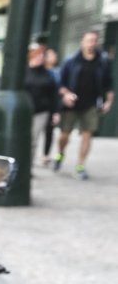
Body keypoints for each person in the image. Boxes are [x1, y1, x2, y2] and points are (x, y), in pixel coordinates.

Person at [53, 30, 113, 179]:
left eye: (94, 40)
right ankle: (60, 154)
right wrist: (66, 94)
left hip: (91, 104)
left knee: (87, 134)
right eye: (88, 40)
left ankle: (80, 165)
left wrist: (108, 102)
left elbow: (108, 84)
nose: (91, 43)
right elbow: (60, 83)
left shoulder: (102, 61)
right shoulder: (71, 60)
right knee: (64, 135)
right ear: (82, 41)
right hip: (71, 104)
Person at [24, 44, 58, 166]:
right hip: (24, 111)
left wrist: (55, 112)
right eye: (37, 55)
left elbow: (53, 94)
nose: (39, 58)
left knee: (33, 139)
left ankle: (28, 166)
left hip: (41, 111)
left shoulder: (48, 74)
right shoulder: (23, 72)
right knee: (23, 139)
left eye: (41, 55)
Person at [41, 48, 61, 166]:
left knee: (49, 131)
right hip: (40, 106)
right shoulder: (40, 71)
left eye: (55, 55)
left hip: (52, 106)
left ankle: (46, 155)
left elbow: (58, 91)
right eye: (51, 55)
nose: (54, 58)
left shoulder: (57, 72)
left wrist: (57, 110)